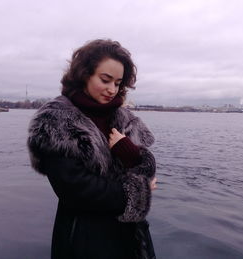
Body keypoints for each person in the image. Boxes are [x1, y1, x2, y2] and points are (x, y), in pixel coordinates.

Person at [27, 39, 157, 259]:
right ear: (84, 74)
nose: (112, 90)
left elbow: (147, 172)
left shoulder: (124, 118)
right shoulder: (56, 120)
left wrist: (130, 152)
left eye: (117, 83)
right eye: (105, 80)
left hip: (131, 236)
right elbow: (74, 189)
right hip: (85, 237)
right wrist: (133, 194)